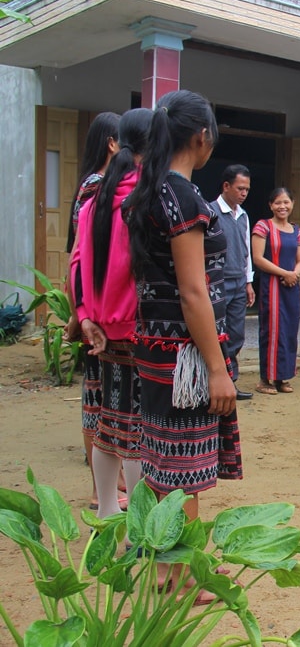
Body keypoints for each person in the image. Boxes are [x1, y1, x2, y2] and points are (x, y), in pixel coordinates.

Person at [124, 90, 241, 602]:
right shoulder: (184, 198)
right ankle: (180, 577)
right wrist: (217, 368)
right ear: (202, 137)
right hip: (185, 358)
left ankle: (161, 568)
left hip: (153, 347)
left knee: (159, 465)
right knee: (182, 474)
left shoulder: (148, 192)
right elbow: (194, 291)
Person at [69, 108, 152, 520]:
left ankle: (105, 512)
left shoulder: (94, 199)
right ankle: (139, 525)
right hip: (139, 329)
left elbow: (77, 262)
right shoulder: (148, 198)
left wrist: (84, 314)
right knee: (137, 429)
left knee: (109, 422)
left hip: (101, 329)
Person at [65, 111, 120, 511]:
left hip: (91, 305)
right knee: (98, 395)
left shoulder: (91, 184)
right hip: (99, 308)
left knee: (97, 392)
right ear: (113, 144)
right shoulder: (98, 187)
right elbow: (82, 255)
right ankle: (102, 485)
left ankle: (107, 482)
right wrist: (81, 310)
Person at [251, 187, 300, 395]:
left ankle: (282, 377)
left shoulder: (296, 230)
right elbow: (258, 259)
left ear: (292, 204)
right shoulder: (263, 226)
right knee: (272, 330)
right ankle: (265, 379)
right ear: (270, 206)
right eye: (277, 203)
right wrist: (285, 273)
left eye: (286, 202)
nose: (282, 206)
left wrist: (294, 274)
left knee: (289, 331)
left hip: (291, 287)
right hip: (272, 287)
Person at [215, 164, 255, 400]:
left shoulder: (243, 215)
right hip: (218, 281)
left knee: (236, 333)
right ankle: (218, 380)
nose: (244, 193)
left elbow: (246, 250)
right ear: (226, 186)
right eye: (240, 188)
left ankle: (231, 380)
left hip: (239, 281)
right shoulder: (210, 212)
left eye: (247, 190)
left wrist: (249, 282)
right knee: (217, 333)